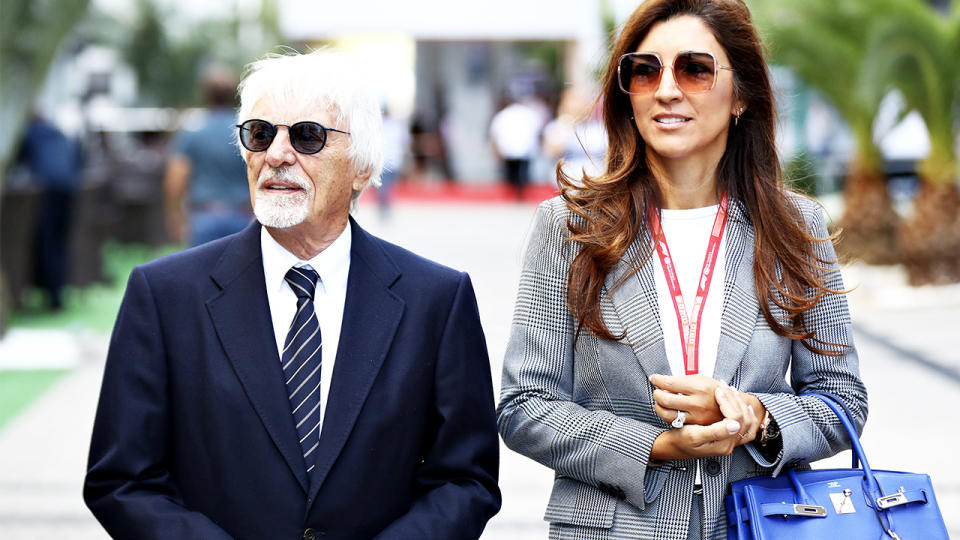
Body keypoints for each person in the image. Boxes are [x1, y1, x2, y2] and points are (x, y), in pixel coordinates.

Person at [84, 50, 501, 539]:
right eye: (261, 133)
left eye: (307, 135)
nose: (278, 154)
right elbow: (122, 481)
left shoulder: (437, 299)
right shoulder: (164, 296)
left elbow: (465, 480)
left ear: (363, 168)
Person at [496, 1, 867, 538]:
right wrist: (656, 445)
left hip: (759, 523)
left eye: (694, 68)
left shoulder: (794, 226)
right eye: (644, 71)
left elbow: (842, 398)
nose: (667, 89)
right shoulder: (569, 227)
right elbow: (524, 407)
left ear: (740, 94)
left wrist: (758, 419)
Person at [163, 65, 251, 246]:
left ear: (206, 94)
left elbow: (175, 180)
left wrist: (176, 217)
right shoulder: (247, 132)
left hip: (204, 218)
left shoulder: (193, 132)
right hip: (244, 218)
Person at [17, 112, 84, 310]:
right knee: (59, 243)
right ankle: (56, 295)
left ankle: (52, 296)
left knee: (47, 243)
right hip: (70, 191)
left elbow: (20, 163)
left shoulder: (31, 134)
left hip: (46, 192)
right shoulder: (59, 133)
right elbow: (78, 160)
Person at [489, 95, 544, 200]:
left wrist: (497, 151)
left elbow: (495, 135)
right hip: (524, 151)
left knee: (512, 175)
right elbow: (538, 132)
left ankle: (513, 196)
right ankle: (520, 195)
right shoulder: (529, 114)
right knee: (523, 176)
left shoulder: (503, 114)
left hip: (510, 151)